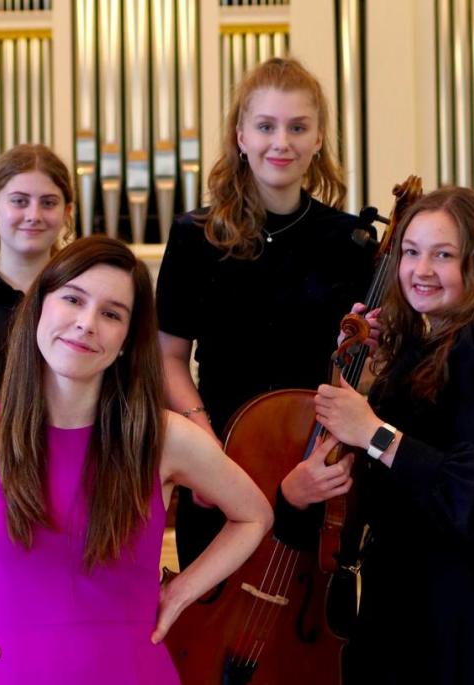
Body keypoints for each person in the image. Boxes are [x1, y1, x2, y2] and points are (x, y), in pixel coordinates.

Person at [0, 235, 274, 684]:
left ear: (127, 341)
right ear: (39, 307)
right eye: (72, 299)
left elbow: (254, 514)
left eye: (112, 314)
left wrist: (183, 591)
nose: (86, 323)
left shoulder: (162, 436)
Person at [308, 186, 474, 684]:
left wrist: (374, 432)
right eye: (411, 252)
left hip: (462, 614)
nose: (421, 270)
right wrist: (367, 372)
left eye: (443, 255)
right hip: (407, 598)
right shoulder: (429, 346)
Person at [155, 56, 375, 567]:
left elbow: (361, 369)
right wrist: (204, 447)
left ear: (318, 138)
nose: (282, 142)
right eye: (266, 126)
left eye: (298, 127)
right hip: (221, 450)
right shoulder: (195, 236)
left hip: (313, 456)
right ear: (241, 135)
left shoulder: (352, 242)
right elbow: (167, 357)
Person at [0, 143, 75, 406]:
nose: (33, 215)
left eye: (48, 203)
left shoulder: (83, 302)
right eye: (19, 201)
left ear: (66, 212)